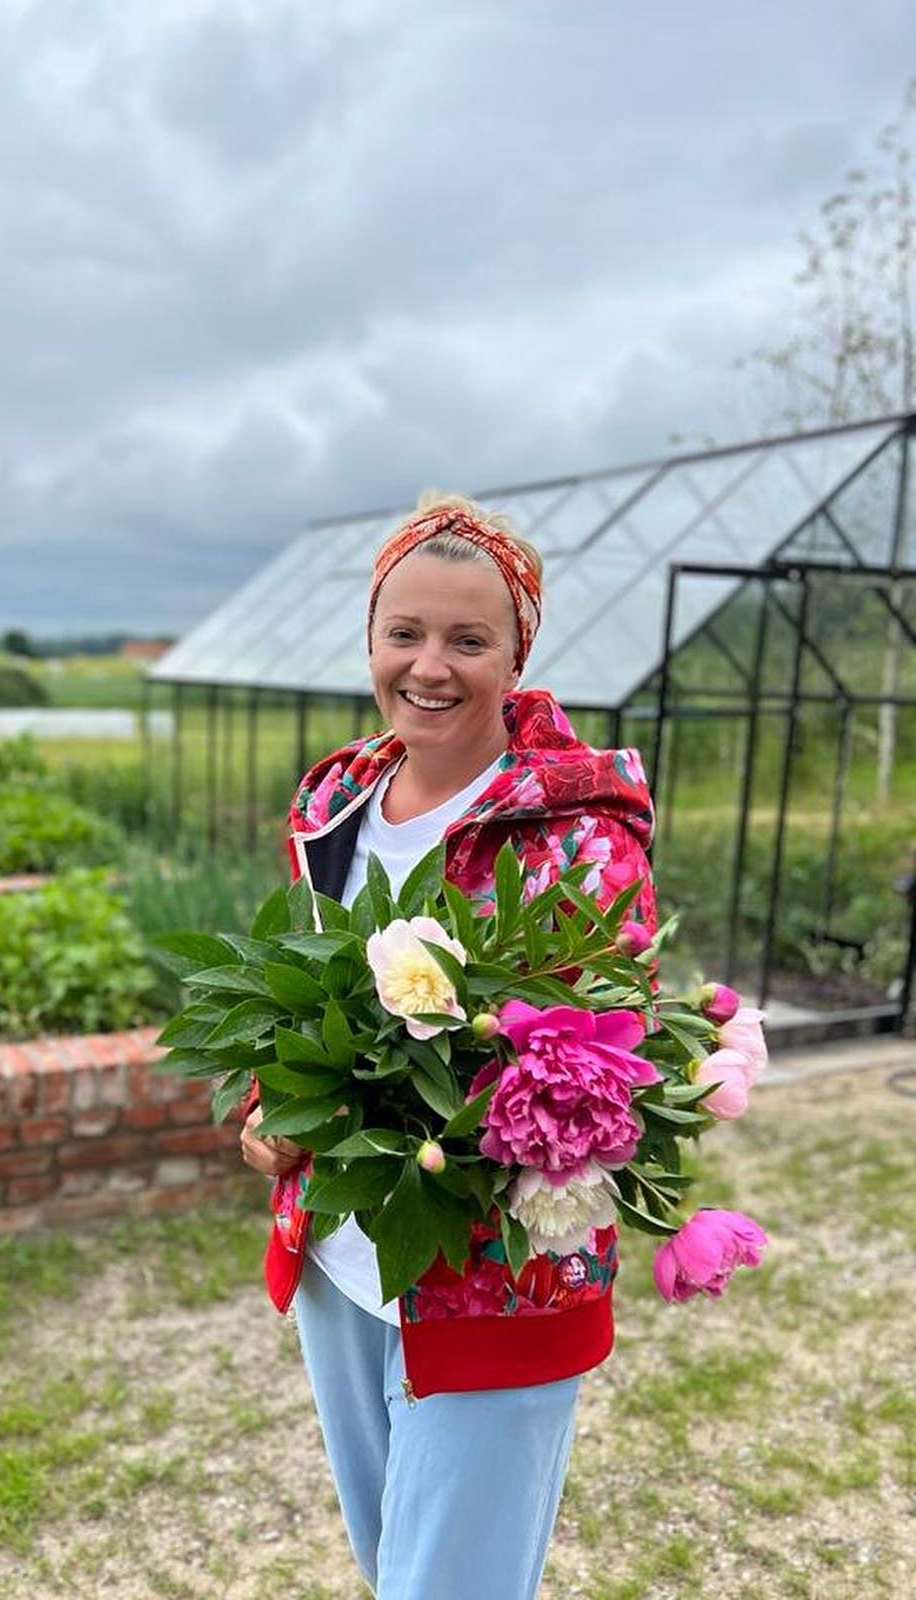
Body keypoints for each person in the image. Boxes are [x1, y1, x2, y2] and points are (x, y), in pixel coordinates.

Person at [239, 492, 657, 1600]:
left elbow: (608, 1064)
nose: (429, 665)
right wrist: (272, 1110)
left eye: (467, 639)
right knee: (394, 1567)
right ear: (371, 641)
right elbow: (305, 1010)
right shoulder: (335, 796)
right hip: (343, 1255)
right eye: (404, 633)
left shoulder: (574, 834)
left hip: (495, 1273)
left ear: (517, 650)